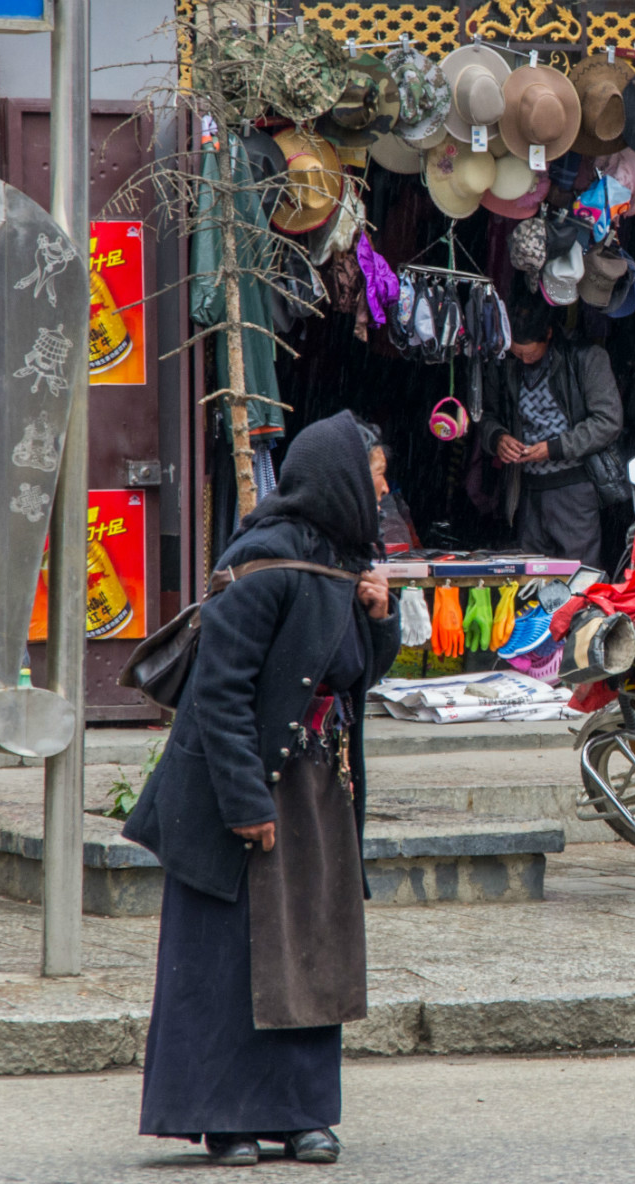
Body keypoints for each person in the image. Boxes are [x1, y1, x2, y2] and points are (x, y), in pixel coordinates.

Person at [125, 411, 400, 1165]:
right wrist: (245, 803)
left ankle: (301, 1111)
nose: (382, 491)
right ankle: (227, 1118)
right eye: (375, 477)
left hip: (315, 788)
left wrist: (379, 616)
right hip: (239, 785)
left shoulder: (343, 563)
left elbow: (355, 675)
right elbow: (219, 695)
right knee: (230, 959)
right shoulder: (263, 565)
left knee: (312, 945)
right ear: (340, 480)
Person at [476, 294, 625, 567]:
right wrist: (497, 438)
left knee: (578, 576)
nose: (522, 358)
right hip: (526, 490)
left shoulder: (587, 358)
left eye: (529, 352)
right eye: (516, 352)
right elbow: (485, 416)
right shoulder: (506, 364)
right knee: (530, 576)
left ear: (548, 333)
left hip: (574, 490)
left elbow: (608, 421)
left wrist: (555, 448)